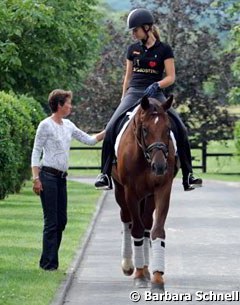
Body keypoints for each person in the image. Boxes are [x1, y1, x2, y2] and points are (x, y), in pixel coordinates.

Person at [94, 8, 202, 192]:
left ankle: (188, 175)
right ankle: (104, 174)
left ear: (147, 28)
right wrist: (123, 99)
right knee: (112, 126)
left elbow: (171, 77)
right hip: (134, 92)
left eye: (135, 30)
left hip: (155, 92)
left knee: (180, 128)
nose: (133, 34)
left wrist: (158, 85)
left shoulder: (164, 49)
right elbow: (127, 78)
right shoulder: (133, 50)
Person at [31, 89, 105, 271]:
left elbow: (90, 140)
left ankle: (49, 259)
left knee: (61, 221)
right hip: (47, 177)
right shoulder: (45, 125)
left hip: (61, 179)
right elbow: (36, 151)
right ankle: (49, 264)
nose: (71, 106)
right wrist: (35, 178)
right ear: (59, 105)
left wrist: (109, 129)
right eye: (68, 103)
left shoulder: (69, 125)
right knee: (51, 221)